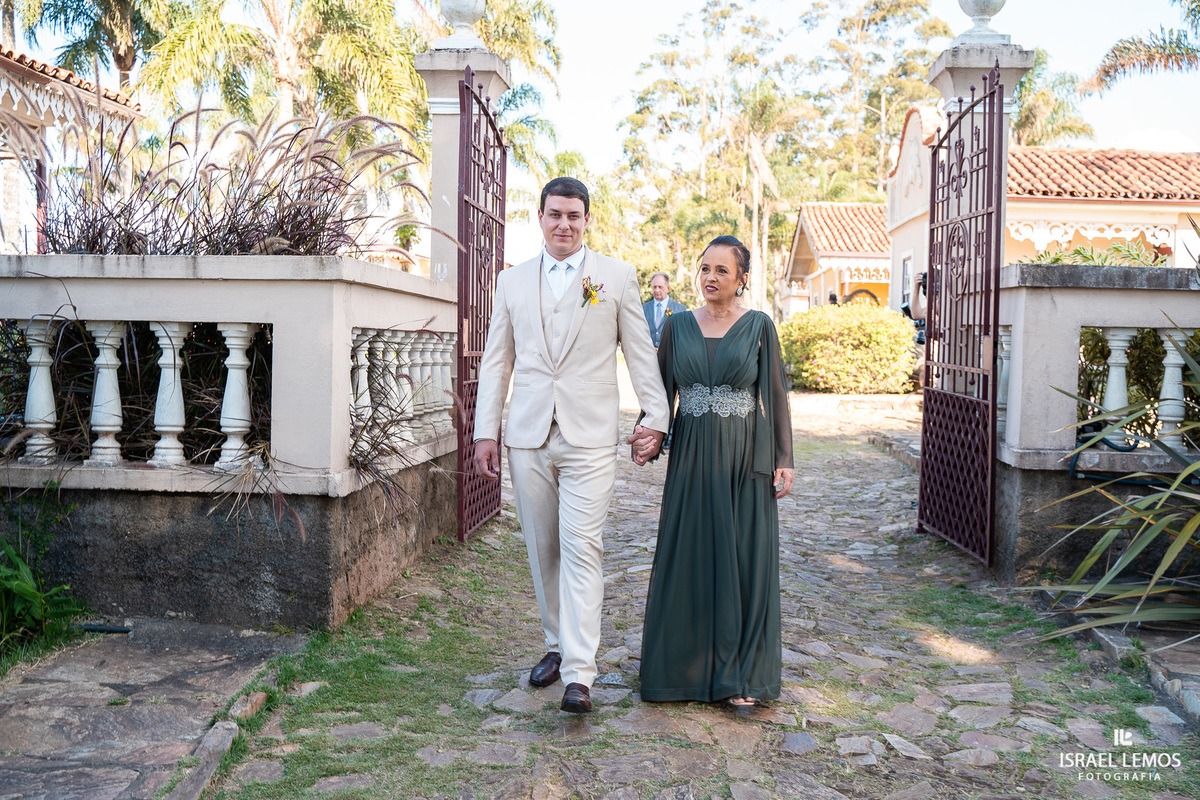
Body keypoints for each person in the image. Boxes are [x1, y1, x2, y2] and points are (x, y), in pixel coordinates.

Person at [473, 177, 670, 714]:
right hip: (528, 435)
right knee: (544, 548)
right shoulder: (511, 282)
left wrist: (655, 415)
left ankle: (580, 674)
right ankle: (556, 645)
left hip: (589, 435)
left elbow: (638, 352)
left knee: (583, 545)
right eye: (555, 214)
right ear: (540, 218)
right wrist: (485, 431)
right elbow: (498, 361)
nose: (564, 224)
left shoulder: (614, 277)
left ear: (587, 220)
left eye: (574, 216)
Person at [632, 234, 795, 707]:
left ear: (742, 279)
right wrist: (649, 436)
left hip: (745, 459)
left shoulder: (760, 326)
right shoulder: (678, 326)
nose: (711, 277)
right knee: (690, 555)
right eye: (705, 268)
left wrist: (783, 458)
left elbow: (776, 395)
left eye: (723, 270)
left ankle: (739, 676)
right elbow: (659, 396)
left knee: (742, 561)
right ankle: (682, 670)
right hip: (691, 460)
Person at [642, 272, 688, 348]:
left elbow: (683, 336)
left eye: (660, 287)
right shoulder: (643, 308)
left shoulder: (680, 309)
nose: (657, 290)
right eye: (654, 287)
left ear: (668, 288)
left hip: (670, 356)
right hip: (648, 355)